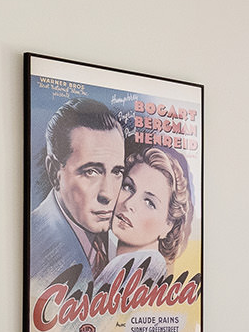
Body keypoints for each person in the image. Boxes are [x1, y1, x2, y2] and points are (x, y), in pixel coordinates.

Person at [28, 97, 125, 294]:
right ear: (55, 171)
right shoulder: (34, 244)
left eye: (117, 172)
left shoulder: (120, 242)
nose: (108, 194)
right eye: (91, 171)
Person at [89, 144, 195, 301]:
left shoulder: (143, 266)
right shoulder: (110, 261)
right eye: (128, 187)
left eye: (149, 202)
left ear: (168, 225)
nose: (130, 203)